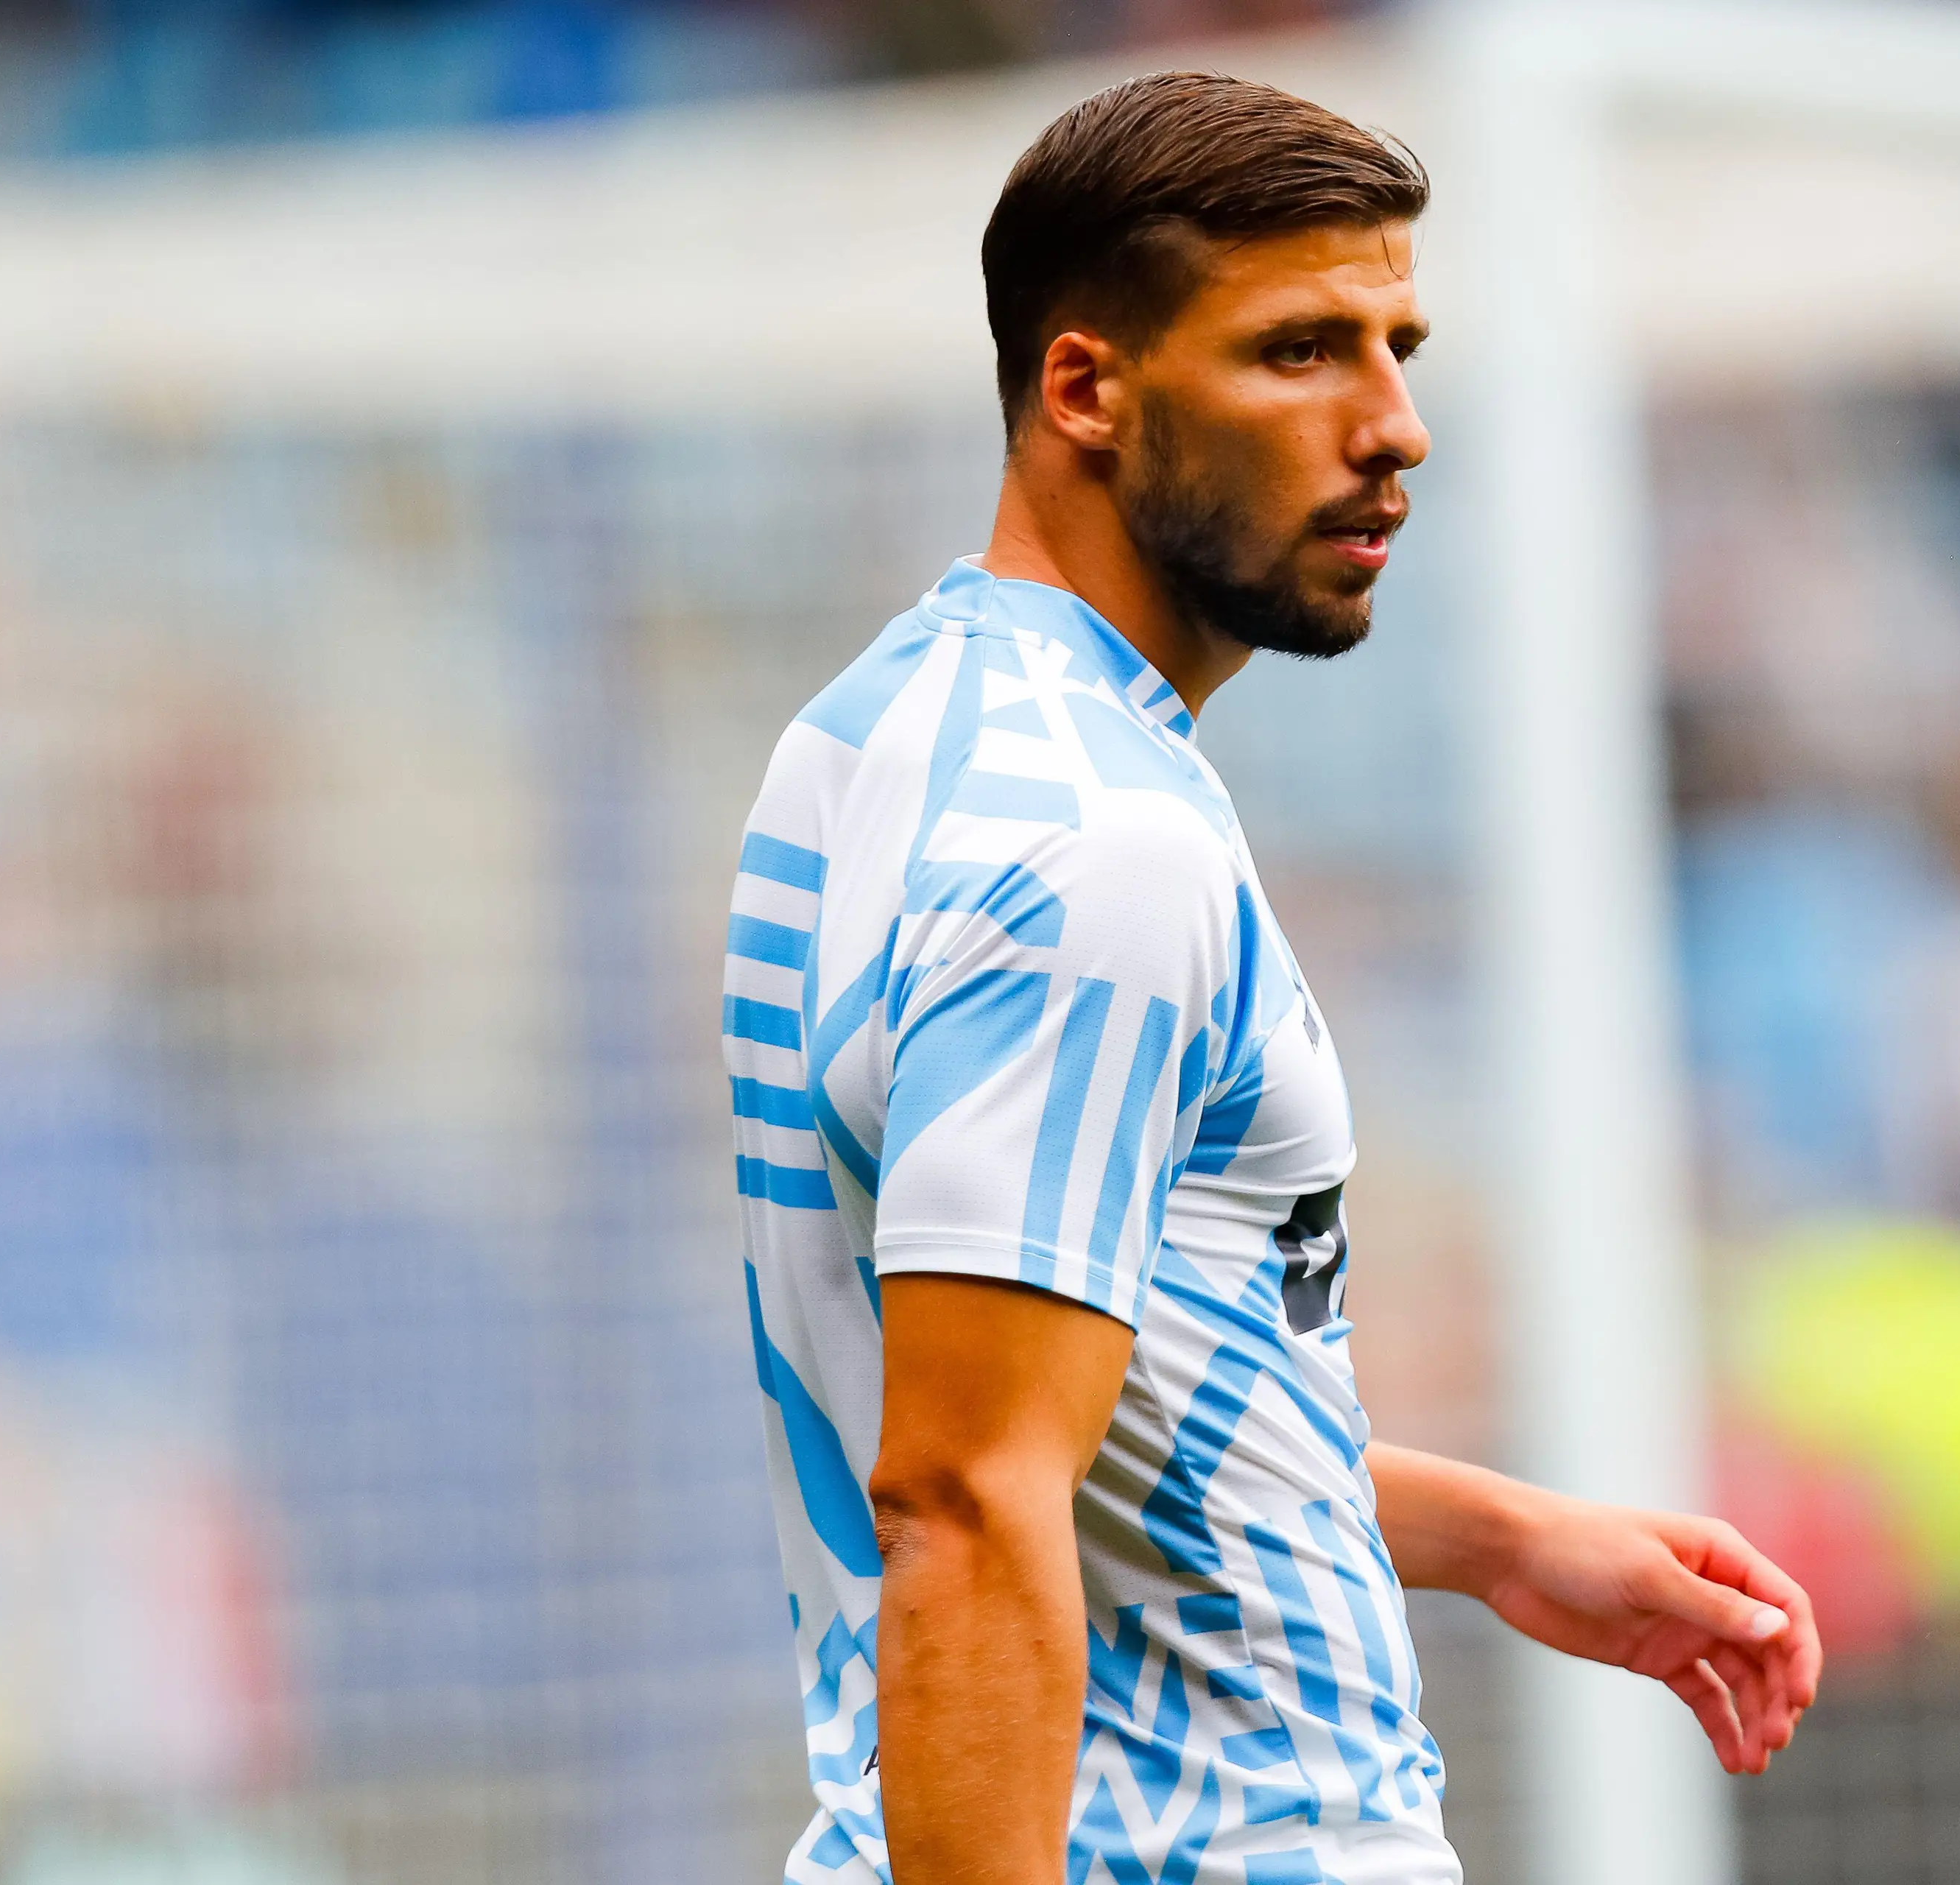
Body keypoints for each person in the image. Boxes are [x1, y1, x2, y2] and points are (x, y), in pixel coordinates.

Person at [722, 71, 1821, 1885]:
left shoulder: (868, 739)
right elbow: (968, 1495)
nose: (1395, 426)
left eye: (1398, 348)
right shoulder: (1098, 844)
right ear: (1086, 388)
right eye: (1301, 351)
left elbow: (1055, 1410)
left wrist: (1493, 1534)